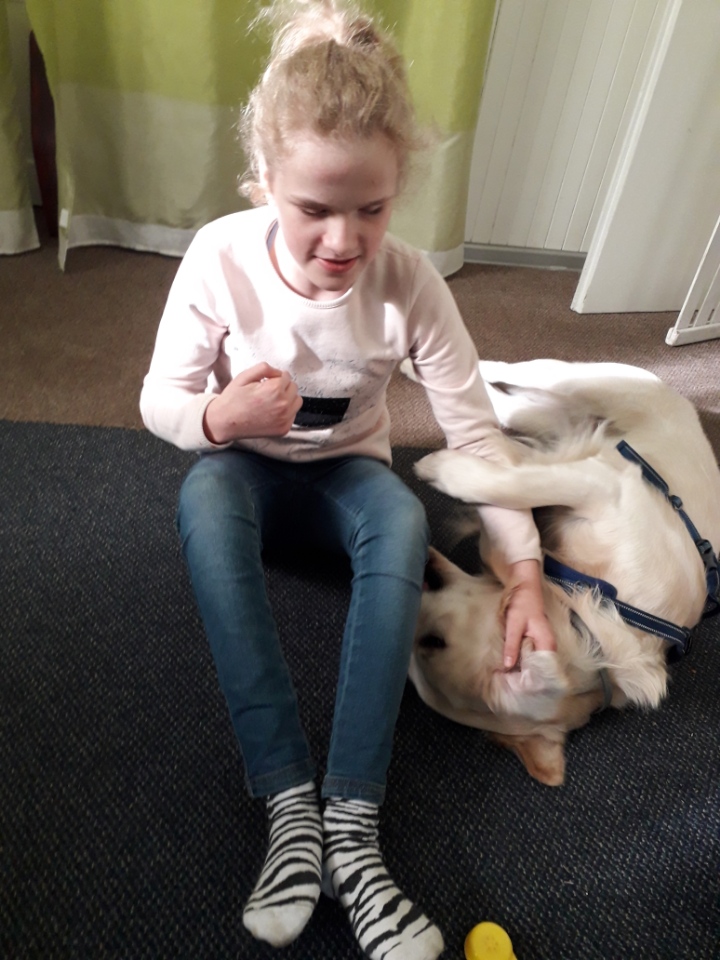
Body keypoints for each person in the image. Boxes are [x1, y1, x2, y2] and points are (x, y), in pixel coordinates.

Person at [140, 2, 555, 958]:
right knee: (202, 496)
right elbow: (159, 397)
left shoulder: (411, 283)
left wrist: (527, 575)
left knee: (403, 517)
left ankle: (352, 828)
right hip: (243, 474)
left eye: (371, 209)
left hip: (343, 485)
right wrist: (217, 418)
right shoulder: (219, 255)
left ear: (397, 188)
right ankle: (291, 804)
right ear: (263, 185)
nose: (342, 240)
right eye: (313, 209)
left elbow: (473, 433)